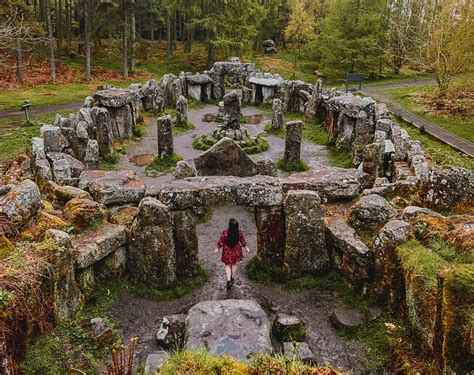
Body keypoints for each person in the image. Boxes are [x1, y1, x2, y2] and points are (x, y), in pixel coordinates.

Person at [214, 218, 250, 290]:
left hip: (227, 251)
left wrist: (217, 248)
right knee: (234, 264)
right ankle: (232, 278)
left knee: (227, 265)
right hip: (236, 250)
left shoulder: (225, 232)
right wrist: (246, 248)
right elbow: (242, 241)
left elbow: (221, 241)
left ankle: (228, 281)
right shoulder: (239, 233)